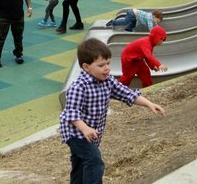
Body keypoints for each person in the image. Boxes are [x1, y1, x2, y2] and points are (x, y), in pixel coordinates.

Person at [60, 38, 165, 183]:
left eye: (108, 63)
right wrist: (85, 129)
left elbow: (127, 94)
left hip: (91, 133)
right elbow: (71, 113)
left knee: (80, 164)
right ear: (86, 67)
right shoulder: (79, 87)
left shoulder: (108, 81)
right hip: (76, 134)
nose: (107, 68)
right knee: (95, 162)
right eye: (101, 65)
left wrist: (149, 104)